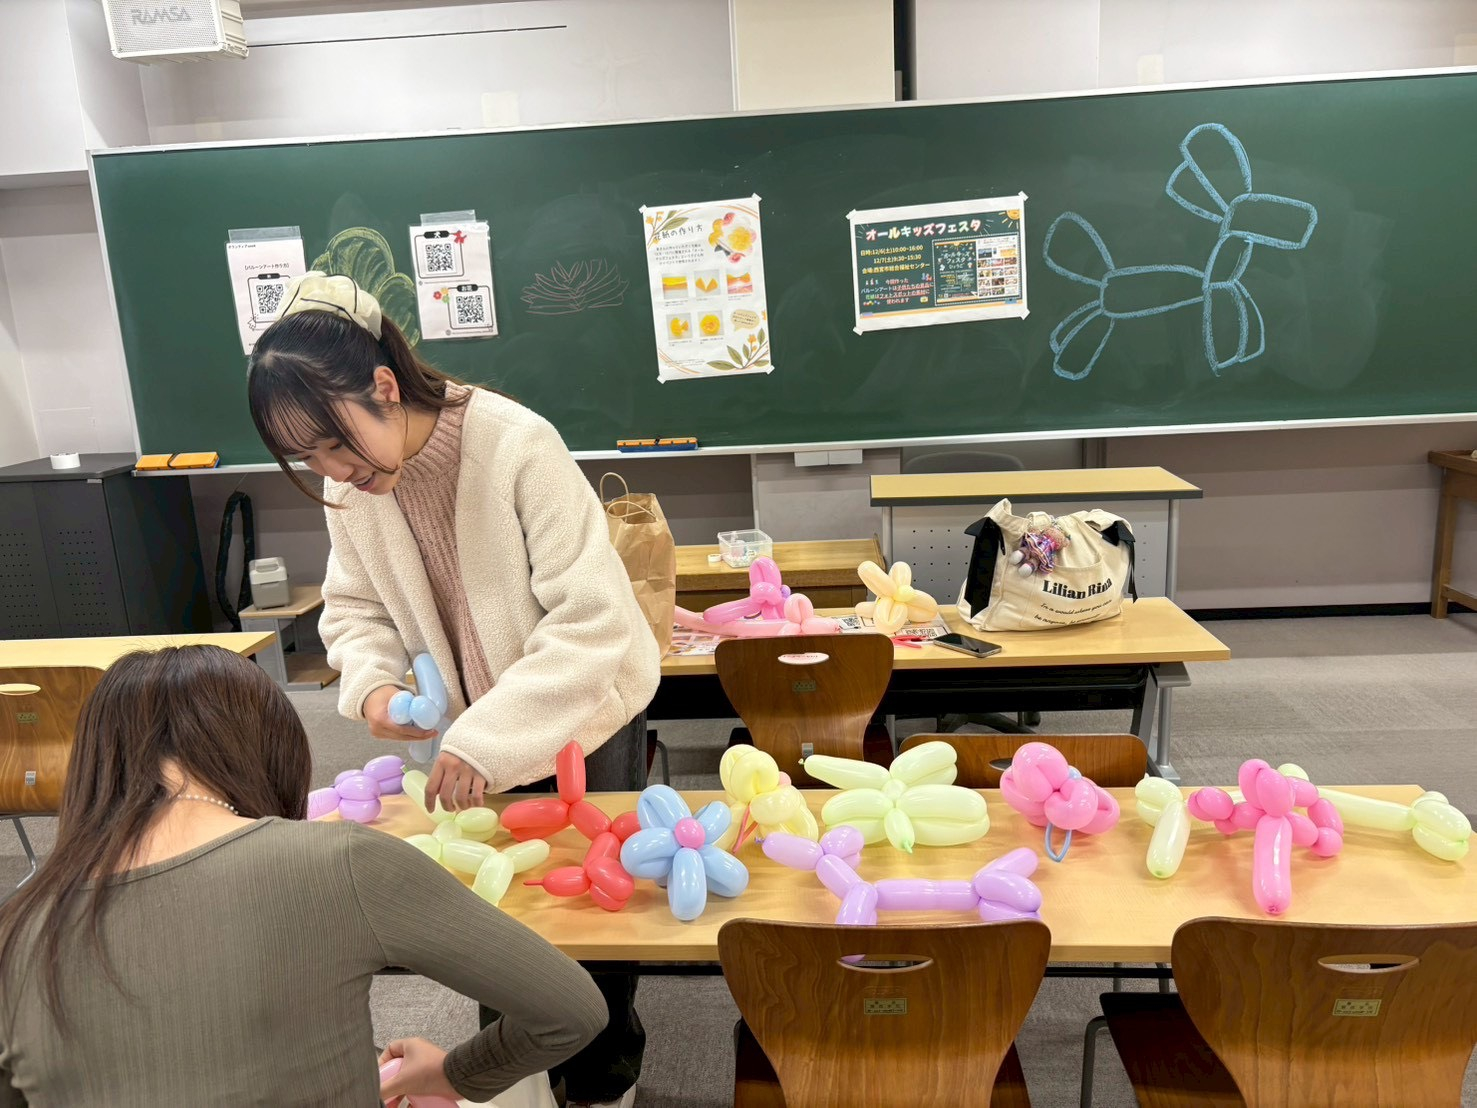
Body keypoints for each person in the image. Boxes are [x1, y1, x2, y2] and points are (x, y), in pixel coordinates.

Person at [245, 272, 661, 1108]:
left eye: (334, 443)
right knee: (493, 917)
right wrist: (372, 686)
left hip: (580, 714)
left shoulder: (516, 445)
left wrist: (485, 737)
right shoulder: (350, 485)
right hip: (468, 730)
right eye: (306, 458)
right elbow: (355, 607)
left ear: (384, 386)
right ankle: (507, 1073)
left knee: (595, 910)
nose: (330, 471)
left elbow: (591, 621)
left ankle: (601, 1079)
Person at [0, 645, 608, 1107]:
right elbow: (573, 1011)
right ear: (269, 745)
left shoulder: (16, 929)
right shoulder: (342, 862)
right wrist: (455, 1073)